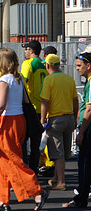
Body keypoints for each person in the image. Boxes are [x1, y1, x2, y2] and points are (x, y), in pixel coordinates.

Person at [0, 48, 49, 211]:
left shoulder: (4, 79)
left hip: (8, 120)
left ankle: (37, 190)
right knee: (3, 160)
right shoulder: (18, 78)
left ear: (2, 61)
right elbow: (25, 100)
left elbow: (1, 106)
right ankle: (2, 200)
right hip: (19, 120)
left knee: (11, 159)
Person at [40, 53, 78, 191]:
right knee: (64, 152)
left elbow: (45, 101)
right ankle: (56, 178)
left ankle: (61, 182)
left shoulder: (49, 80)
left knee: (57, 153)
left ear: (48, 65)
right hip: (69, 117)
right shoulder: (69, 79)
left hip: (56, 119)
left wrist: (42, 119)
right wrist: (75, 117)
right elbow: (75, 100)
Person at [63, 52, 91, 208]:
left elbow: (89, 110)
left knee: (84, 165)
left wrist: (81, 132)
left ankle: (81, 198)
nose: (77, 68)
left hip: (88, 129)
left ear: (88, 66)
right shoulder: (88, 81)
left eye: (79, 66)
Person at [21, 40, 47, 174]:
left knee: (23, 140)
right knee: (36, 143)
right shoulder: (44, 65)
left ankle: (25, 170)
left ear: (31, 50)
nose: (25, 52)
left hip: (29, 106)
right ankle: (34, 169)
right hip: (41, 107)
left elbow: (23, 82)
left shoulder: (28, 64)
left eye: (26, 49)